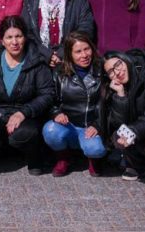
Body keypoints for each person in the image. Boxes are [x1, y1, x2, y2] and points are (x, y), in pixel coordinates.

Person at [0, 16, 54, 175]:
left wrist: (23, 112)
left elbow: (47, 94)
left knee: (26, 134)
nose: (14, 42)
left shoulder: (36, 59)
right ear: (2, 41)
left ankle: (34, 158)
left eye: (19, 36)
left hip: (25, 113)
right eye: (9, 37)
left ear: (25, 37)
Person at [42, 32, 106, 177]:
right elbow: (50, 100)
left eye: (86, 49)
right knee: (50, 130)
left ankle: (93, 159)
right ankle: (63, 158)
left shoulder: (102, 70)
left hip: (91, 126)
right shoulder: (59, 73)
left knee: (96, 149)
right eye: (78, 51)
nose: (84, 55)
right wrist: (56, 113)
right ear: (69, 54)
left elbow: (108, 105)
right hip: (68, 125)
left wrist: (98, 124)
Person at [100, 49, 145, 181]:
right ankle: (137, 165)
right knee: (119, 134)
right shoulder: (118, 86)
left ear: (125, 59)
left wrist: (133, 131)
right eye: (110, 72)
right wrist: (121, 96)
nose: (117, 73)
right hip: (140, 128)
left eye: (118, 65)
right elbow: (119, 123)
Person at [21, 0, 94, 68]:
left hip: (71, 58)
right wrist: (46, 54)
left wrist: (62, 52)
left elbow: (85, 27)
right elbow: (26, 31)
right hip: (39, 59)